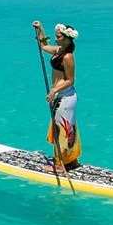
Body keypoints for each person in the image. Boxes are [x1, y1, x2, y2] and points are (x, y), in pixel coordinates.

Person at [32, 20, 83, 169]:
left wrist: (54, 90)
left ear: (67, 38)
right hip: (60, 97)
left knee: (62, 131)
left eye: (59, 37)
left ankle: (61, 165)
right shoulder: (58, 50)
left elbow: (70, 80)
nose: (56, 39)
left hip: (66, 98)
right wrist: (40, 28)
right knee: (66, 130)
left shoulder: (67, 56)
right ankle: (71, 162)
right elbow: (43, 46)